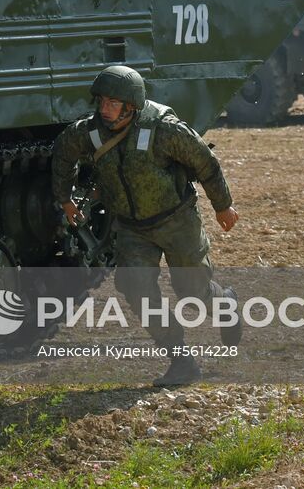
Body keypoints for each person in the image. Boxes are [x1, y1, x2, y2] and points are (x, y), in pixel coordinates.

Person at [51, 65, 240, 387]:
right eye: (102, 102)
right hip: (131, 228)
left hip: (176, 220)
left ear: (131, 105)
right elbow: (63, 153)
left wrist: (223, 205)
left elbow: (205, 163)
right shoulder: (90, 133)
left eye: (113, 103)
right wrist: (65, 198)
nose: (105, 109)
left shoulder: (164, 130)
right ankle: (181, 361)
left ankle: (225, 304)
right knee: (136, 289)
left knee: (192, 293)